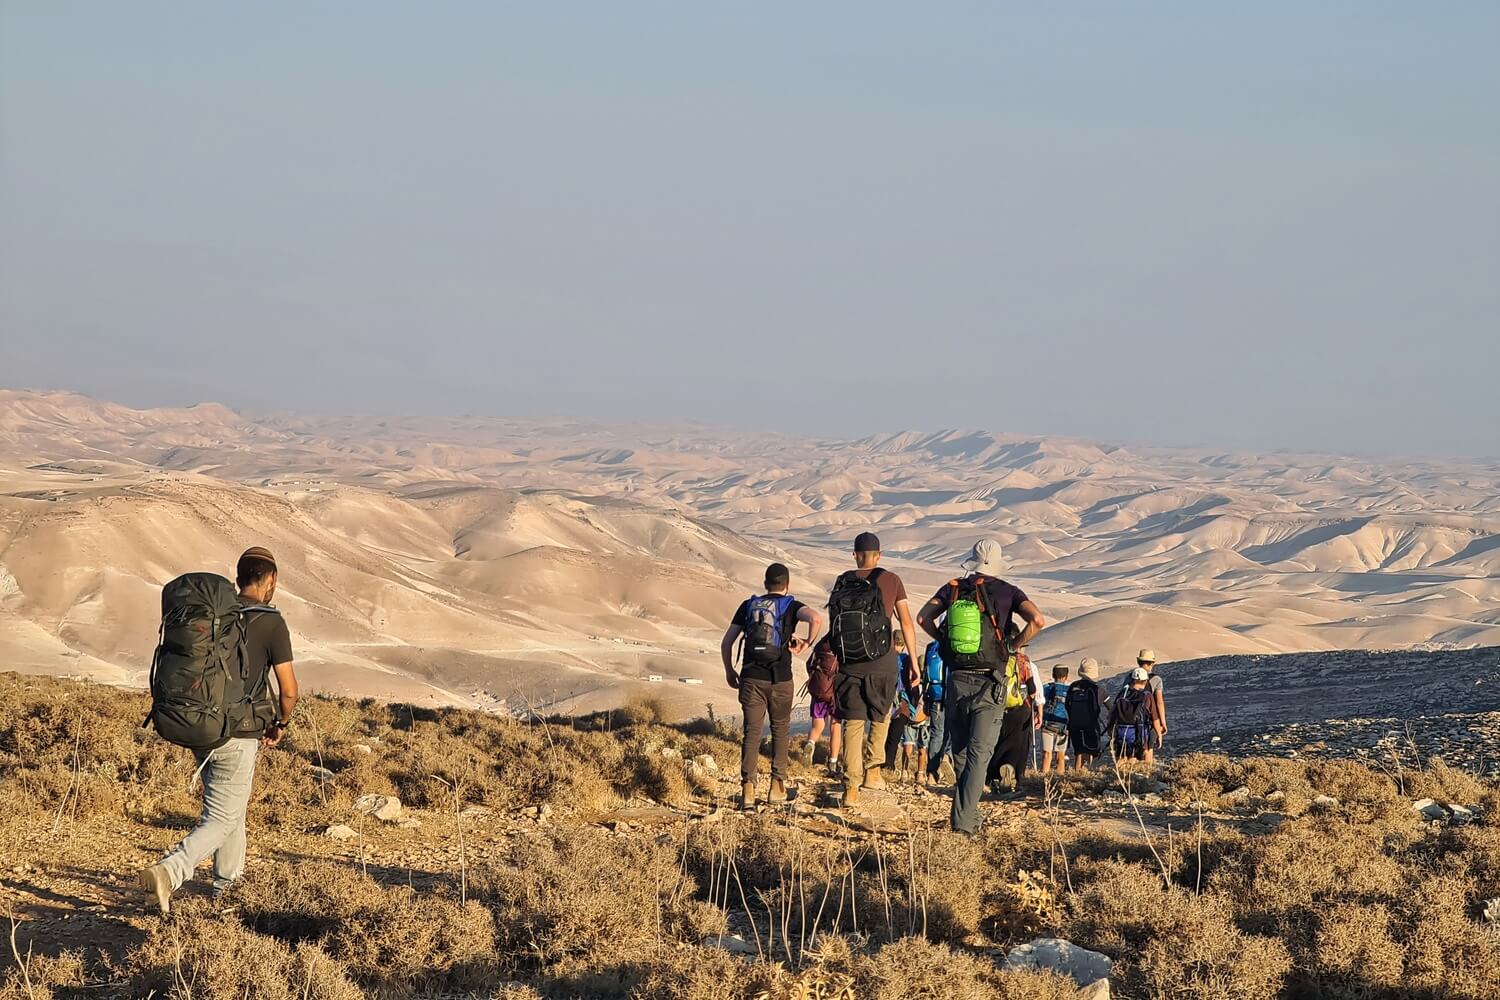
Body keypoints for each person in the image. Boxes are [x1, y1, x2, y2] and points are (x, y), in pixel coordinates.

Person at [139, 547, 298, 913]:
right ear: (271, 580)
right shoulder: (270, 621)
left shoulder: (217, 615)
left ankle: (228, 890)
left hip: (204, 724)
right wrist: (281, 723)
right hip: (238, 734)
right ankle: (170, 871)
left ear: (238, 577)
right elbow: (288, 690)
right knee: (222, 817)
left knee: (231, 812)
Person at [917, 538, 1044, 835]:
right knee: (980, 753)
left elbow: (923, 617)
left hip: (957, 679)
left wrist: (943, 641)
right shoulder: (1009, 591)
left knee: (961, 752)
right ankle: (963, 824)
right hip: (991, 681)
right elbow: (1037, 620)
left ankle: (967, 814)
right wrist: (1012, 645)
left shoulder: (952, 588)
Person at [826, 532, 921, 809]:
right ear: (879, 555)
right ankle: (873, 773)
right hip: (883, 661)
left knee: (853, 722)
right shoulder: (892, 580)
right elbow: (906, 623)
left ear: (855, 555)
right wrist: (914, 663)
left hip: (849, 662)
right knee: (880, 716)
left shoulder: (842, 580)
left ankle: (850, 787)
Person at [721, 563, 822, 808]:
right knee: (780, 730)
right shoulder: (791, 606)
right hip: (780, 678)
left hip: (750, 678)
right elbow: (816, 618)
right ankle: (777, 787)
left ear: (765, 584)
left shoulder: (748, 605)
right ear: (787, 585)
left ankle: (747, 790)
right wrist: (807, 643)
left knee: (751, 732)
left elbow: (726, 643)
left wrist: (730, 670)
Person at [1107, 666, 1164, 765]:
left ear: (1132, 680)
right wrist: (1159, 735)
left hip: (1121, 733)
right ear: (1146, 681)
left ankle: (1119, 773)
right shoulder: (1147, 696)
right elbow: (1155, 718)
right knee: (1141, 757)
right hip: (1139, 734)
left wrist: (1111, 732)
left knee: (1122, 757)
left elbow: (1112, 713)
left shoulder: (1123, 694)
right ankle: (1141, 773)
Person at [1064, 657, 1107, 770]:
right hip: (1091, 725)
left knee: (1078, 752)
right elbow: (1111, 707)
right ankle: (1088, 773)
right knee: (1092, 751)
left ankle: (1077, 773)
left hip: (1074, 724)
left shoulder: (1073, 686)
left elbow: (1067, 705)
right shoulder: (1098, 689)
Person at [920, 640, 953, 789]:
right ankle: (948, 757)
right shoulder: (956, 643)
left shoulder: (931, 646)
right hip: (953, 695)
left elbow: (925, 674)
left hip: (935, 696)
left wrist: (926, 699)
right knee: (954, 732)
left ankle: (931, 775)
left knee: (936, 733)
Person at [1039, 665, 1071, 775]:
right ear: (1066, 676)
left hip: (1047, 724)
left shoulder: (1046, 688)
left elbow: (1039, 702)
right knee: (1060, 755)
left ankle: (1043, 777)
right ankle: (1060, 778)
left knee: (1047, 754)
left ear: (1053, 675)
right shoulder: (1070, 690)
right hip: (1063, 726)